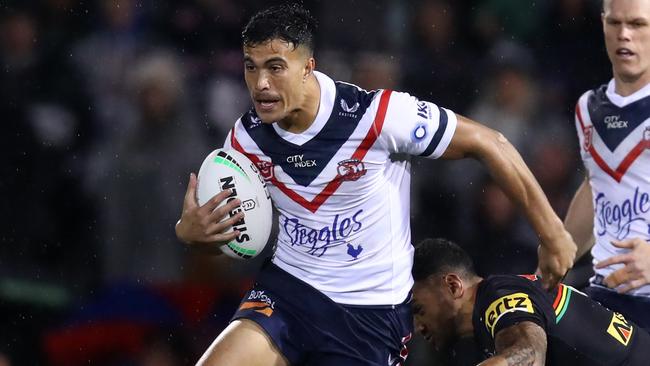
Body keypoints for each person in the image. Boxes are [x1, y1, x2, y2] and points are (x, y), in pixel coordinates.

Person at [175, 3, 577, 365]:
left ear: (308, 67)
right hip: (288, 292)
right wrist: (194, 235)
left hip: (368, 314)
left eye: (275, 67)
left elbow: (491, 143)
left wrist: (552, 232)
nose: (260, 83)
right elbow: (228, 241)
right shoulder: (245, 141)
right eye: (251, 66)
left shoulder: (377, 116)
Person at [412, 237, 650, 366]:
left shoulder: (499, 298)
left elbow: (529, 353)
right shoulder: (495, 307)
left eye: (418, 310)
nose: (417, 326)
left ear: (453, 286)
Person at [564, 0, 650, 331]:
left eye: (638, 25)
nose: (624, 35)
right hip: (607, 299)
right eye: (615, 23)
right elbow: (596, 186)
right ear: (602, 24)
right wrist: (558, 256)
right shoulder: (587, 108)